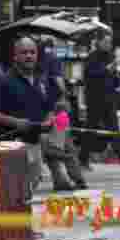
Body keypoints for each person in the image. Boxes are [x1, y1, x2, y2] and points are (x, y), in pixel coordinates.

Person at [0, 36, 56, 202]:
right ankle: (10, 225)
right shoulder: (4, 81)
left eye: (32, 52)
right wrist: (16, 122)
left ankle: (20, 225)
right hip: (12, 146)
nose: (29, 56)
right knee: (13, 192)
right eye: (24, 53)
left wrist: (50, 120)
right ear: (15, 56)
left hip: (35, 144)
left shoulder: (41, 80)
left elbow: (50, 107)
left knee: (29, 190)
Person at [82, 33, 120, 172]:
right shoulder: (92, 57)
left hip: (109, 99)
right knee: (91, 130)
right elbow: (90, 75)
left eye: (110, 42)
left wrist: (117, 78)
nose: (109, 45)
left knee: (113, 130)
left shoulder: (110, 57)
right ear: (99, 42)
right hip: (95, 99)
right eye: (106, 42)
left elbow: (112, 79)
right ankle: (82, 159)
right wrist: (106, 70)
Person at [38, 38, 88, 191]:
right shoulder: (53, 59)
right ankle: (77, 178)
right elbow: (59, 81)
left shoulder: (33, 62)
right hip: (57, 108)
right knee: (65, 145)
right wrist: (65, 95)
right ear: (52, 47)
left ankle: (60, 179)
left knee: (52, 147)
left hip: (40, 110)